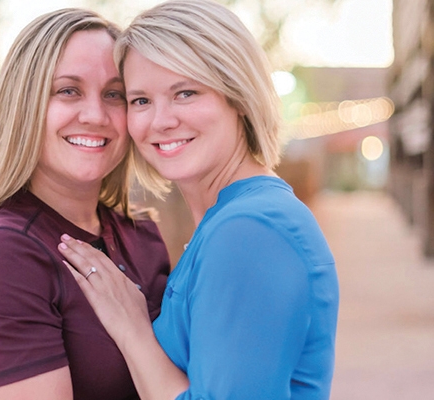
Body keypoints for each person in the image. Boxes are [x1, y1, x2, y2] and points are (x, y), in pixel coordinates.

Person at [57, 0, 340, 399]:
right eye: (141, 100)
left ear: (238, 97)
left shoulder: (249, 230)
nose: (161, 120)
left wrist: (132, 330)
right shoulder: (232, 219)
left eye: (185, 92)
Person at [0, 8, 170, 400]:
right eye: (68, 90)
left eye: (114, 94)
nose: (95, 115)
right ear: (24, 106)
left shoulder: (141, 235)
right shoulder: (2, 254)